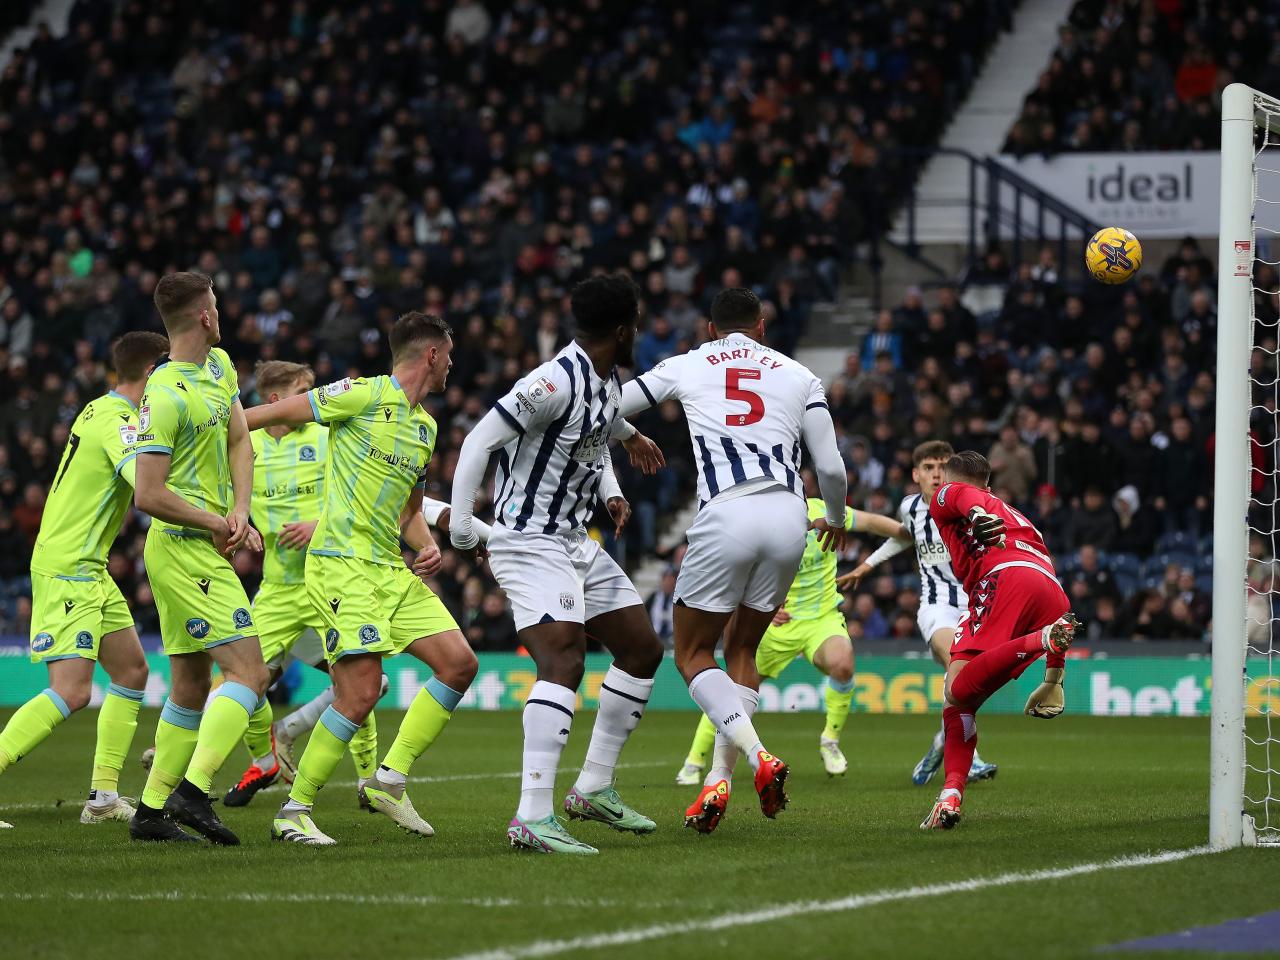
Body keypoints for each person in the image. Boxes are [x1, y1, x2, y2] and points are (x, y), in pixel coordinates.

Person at [616, 286, 848, 834]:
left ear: (711, 329)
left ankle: (759, 755)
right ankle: (717, 779)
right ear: (762, 327)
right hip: (791, 517)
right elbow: (832, 468)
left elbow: (609, 407)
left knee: (693, 651)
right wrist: (834, 517)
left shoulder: (689, 362)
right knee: (743, 646)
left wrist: (628, 437)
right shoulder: (800, 374)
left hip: (728, 512)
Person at [450, 274, 666, 856]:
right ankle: (531, 816)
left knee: (642, 648)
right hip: (528, 539)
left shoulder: (604, 381)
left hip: (574, 538)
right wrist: (463, 522)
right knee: (564, 658)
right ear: (621, 331)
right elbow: (478, 442)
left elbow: (601, 427)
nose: (639, 333)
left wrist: (623, 462)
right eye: (637, 325)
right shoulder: (551, 381)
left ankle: (593, 788)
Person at [245, 312, 477, 846]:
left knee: (460, 663)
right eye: (450, 354)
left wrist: (428, 544)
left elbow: (409, 511)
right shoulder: (362, 394)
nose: (453, 365)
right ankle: (294, 811)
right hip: (340, 566)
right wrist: (218, 426)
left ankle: (388, 780)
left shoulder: (426, 426)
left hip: (388, 568)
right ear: (432, 355)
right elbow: (270, 414)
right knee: (361, 691)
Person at [0, 332, 168, 828]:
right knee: (72, 691)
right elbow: (147, 488)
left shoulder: (99, 408)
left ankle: (103, 795)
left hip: (87, 564)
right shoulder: (119, 422)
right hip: (69, 565)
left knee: (132, 671)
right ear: (153, 373)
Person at [130, 272, 270, 845]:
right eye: (217, 303)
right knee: (252, 673)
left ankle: (149, 812)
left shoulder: (220, 367)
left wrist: (240, 508)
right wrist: (218, 521)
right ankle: (193, 789)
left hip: (211, 542)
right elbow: (147, 493)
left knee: (189, 685)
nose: (222, 312)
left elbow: (240, 437)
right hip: (184, 550)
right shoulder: (163, 395)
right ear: (205, 317)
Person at [220, 361, 378, 807]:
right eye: (303, 390)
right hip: (278, 589)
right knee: (242, 680)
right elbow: (225, 495)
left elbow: (359, 495)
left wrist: (319, 524)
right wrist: (238, 525)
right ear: (276, 400)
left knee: (358, 682)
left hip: (329, 582)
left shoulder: (328, 435)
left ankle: (369, 782)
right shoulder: (245, 443)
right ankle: (265, 759)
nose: (313, 398)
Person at [675, 470, 900, 784]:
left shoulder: (825, 511)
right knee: (732, 691)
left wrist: (914, 532)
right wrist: (763, 601)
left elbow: (876, 524)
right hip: (772, 623)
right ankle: (694, 761)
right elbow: (737, 567)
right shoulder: (762, 519)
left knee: (843, 664)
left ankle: (829, 742)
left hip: (821, 618)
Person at [919, 450, 1078, 830]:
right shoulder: (1018, 515)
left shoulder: (947, 496)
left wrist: (976, 515)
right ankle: (950, 795)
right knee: (960, 702)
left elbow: (962, 498)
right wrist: (1053, 678)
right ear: (990, 485)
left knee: (957, 689)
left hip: (1005, 581)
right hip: (1052, 592)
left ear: (946, 479)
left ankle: (1039, 640)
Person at [839, 440, 998, 786]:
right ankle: (968, 759)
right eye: (929, 467)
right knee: (956, 660)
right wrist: (865, 567)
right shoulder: (910, 507)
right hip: (936, 605)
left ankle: (942, 743)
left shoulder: (972, 507)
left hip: (976, 606)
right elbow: (902, 537)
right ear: (916, 474)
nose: (937, 473)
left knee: (963, 683)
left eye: (943, 466)